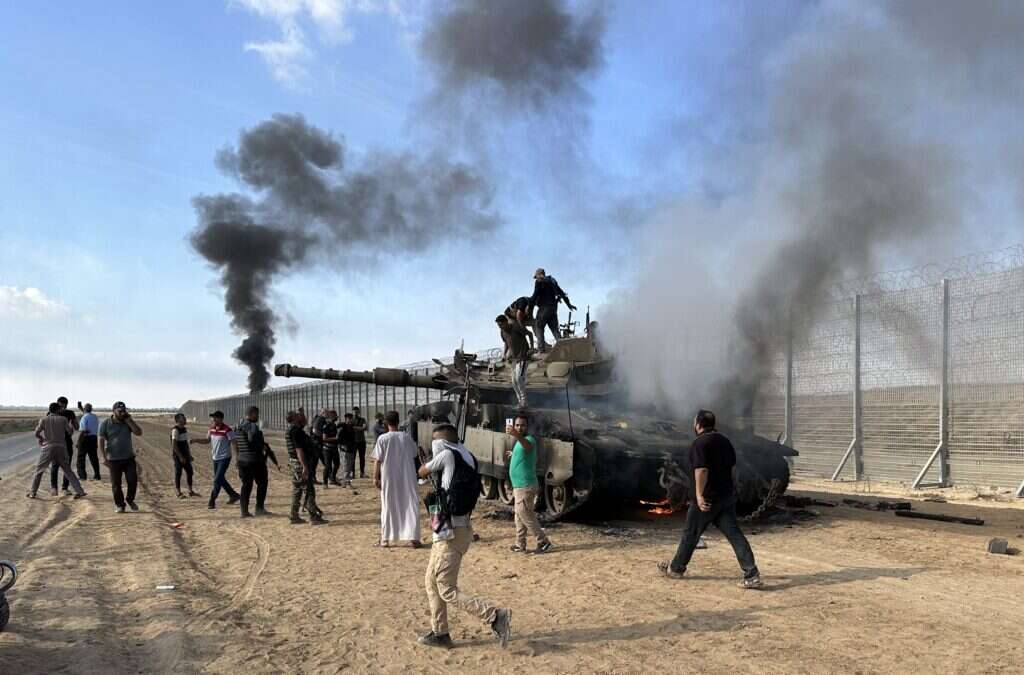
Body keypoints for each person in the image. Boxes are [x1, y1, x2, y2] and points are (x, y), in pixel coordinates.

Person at [416, 423, 511, 649]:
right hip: (451, 527)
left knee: (446, 589)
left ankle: (495, 616)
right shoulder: (467, 455)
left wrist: (425, 462)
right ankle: (440, 632)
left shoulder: (447, 454)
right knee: (431, 582)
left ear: (442, 442)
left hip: (451, 531)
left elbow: (421, 472)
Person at [658, 410, 763, 589]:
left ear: (698, 424)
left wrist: (699, 495)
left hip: (707, 500)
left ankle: (676, 569)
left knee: (691, 533)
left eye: (694, 422)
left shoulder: (699, 443)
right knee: (734, 534)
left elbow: (701, 470)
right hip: (725, 497)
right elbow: (732, 469)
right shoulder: (725, 441)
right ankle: (751, 573)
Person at [371, 410, 421, 548]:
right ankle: (414, 538)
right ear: (398, 421)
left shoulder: (382, 438)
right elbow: (414, 454)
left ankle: (385, 539)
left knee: (388, 505)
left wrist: (375, 478)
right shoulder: (406, 437)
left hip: (389, 478)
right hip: (407, 477)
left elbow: (377, 460)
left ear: (386, 423)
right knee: (410, 504)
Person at [505, 414, 552, 554]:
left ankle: (543, 541)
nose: (519, 428)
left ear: (527, 427)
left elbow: (528, 446)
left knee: (526, 514)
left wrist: (515, 435)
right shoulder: (520, 442)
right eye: (517, 425)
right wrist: (514, 454)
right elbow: (524, 453)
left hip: (525, 485)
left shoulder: (529, 439)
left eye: (522, 425)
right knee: (519, 516)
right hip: (519, 485)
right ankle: (520, 544)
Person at [27, 403, 87, 500]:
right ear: (58, 410)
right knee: (67, 470)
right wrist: (71, 427)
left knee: (39, 470)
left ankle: (33, 492)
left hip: (48, 447)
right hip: (61, 447)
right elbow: (70, 432)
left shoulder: (44, 420)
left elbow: (36, 433)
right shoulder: (63, 419)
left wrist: (41, 438)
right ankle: (80, 491)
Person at [98, 401, 143, 513]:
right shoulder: (105, 424)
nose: (122, 413)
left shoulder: (127, 422)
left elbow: (139, 432)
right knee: (116, 484)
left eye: (124, 411)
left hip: (128, 458)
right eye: (120, 411)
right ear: (113, 411)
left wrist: (129, 420)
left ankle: (130, 499)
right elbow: (101, 441)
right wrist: (104, 458)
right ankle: (120, 505)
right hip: (113, 459)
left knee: (133, 481)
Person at [191, 411, 240, 510]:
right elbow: (207, 440)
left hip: (225, 458)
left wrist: (237, 458)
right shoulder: (211, 429)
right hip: (215, 458)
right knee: (220, 479)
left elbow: (234, 443)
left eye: (215, 417)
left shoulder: (227, 430)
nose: (213, 419)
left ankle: (212, 500)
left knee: (217, 479)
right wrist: (196, 440)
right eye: (212, 418)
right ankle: (233, 495)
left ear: (221, 419)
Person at [285, 409, 326, 525]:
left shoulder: (293, 429)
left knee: (297, 489)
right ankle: (314, 517)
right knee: (308, 490)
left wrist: (302, 413)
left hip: (295, 463)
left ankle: (294, 516)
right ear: (293, 418)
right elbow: (299, 450)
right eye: (297, 415)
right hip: (299, 463)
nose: (300, 416)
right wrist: (305, 467)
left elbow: (304, 422)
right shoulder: (296, 431)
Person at [235, 406, 274, 518]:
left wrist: (237, 457)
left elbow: (236, 442)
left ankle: (244, 511)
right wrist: (262, 445)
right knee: (262, 483)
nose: (258, 416)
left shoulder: (238, 425)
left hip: (242, 460)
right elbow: (252, 439)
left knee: (246, 485)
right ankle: (259, 508)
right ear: (251, 413)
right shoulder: (252, 426)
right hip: (254, 460)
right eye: (256, 414)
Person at [529, 268, 575, 352]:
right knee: (555, 330)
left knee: (538, 326)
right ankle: (564, 349)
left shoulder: (539, 281)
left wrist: (529, 305)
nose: (536, 278)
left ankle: (541, 350)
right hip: (553, 309)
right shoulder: (552, 281)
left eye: (536, 276)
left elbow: (535, 295)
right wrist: (569, 304)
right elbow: (562, 293)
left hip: (544, 308)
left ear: (539, 275)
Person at [496, 314, 531, 410]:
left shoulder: (515, 327)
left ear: (506, 322)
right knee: (514, 381)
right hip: (514, 359)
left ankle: (524, 401)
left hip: (523, 357)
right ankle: (520, 402)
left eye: (501, 325)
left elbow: (530, 334)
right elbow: (506, 343)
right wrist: (504, 354)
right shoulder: (502, 332)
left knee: (519, 378)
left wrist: (531, 348)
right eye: (498, 326)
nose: (500, 327)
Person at [50, 396, 78, 495]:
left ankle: (55, 488)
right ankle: (64, 488)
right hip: (65, 442)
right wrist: (71, 426)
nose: (62, 409)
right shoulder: (70, 413)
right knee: (65, 465)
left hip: (56, 442)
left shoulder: (50, 413)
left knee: (56, 465)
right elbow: (76, 426)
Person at [170, 413, 199, 498]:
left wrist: (189, 455)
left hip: (185, 455)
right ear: (178, 420)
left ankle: (190, 491)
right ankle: (178, 493)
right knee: (178, 473)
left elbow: (185, 443)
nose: (185, 419)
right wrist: (180, 457)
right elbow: (174, 445)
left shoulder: (184, 429)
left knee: (190, 472)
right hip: (178, 456)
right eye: (183, 418)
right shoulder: (175, 430)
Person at [77, 402, 101, 480]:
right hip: (94, 439)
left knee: (81, 458)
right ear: (91, 409)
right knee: (94, 458)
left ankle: (82, 476)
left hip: (85, 439)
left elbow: (83, 431)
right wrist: (80, 408)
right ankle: (97, 475)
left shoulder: (84, 418)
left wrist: (78, 441)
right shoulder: (95, 417)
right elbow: (86, 413)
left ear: (84, 409)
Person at [320, 410, 342, 487]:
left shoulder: (334, 425)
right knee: (327, 466)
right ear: (331, 417)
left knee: (337, 464)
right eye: (335, 416)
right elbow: (324, 438)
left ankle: (333, 479)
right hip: (327, 449)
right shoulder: (326, 426)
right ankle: (325, 483)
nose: (337, 418)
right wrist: (335, 438)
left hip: (334, 448)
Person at [339, 412, 357, 487]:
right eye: (349, 419)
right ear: (346, 419)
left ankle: (345, 481)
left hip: (351, 449)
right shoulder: (342, 428)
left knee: (349, 466)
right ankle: (347, 482)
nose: (351, 420)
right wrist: (343, 446)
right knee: (346, 465)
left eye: (351, 419)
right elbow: (339, 439)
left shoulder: (351, 428)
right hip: (345, 449)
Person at [352, 406, 368, 478]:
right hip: (353, 441)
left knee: (362, 458)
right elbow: (362, 428)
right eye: (354, 411)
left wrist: (355, 428)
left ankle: (362, 473)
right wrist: (361, 428)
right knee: (353, 458)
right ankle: (353, 473)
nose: (356, 413)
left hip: (362, 441)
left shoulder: (362, 419)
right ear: (352, 412)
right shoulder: (351, 420)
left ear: (359, 412)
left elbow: (365, 428)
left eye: (357, 411)